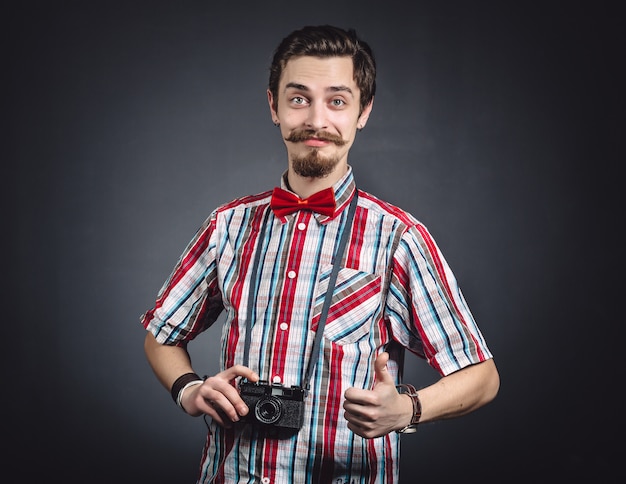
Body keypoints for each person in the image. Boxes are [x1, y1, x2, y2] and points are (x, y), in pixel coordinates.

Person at [141, 24, 500, 483]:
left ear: (362, 111)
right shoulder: (227, 225)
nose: (316, 119)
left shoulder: (398, 237)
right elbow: (161, 333)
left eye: (336, 100)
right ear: (273, 106)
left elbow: (483, 377)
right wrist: (188, 390)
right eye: (298, 98)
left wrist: (407, 410)